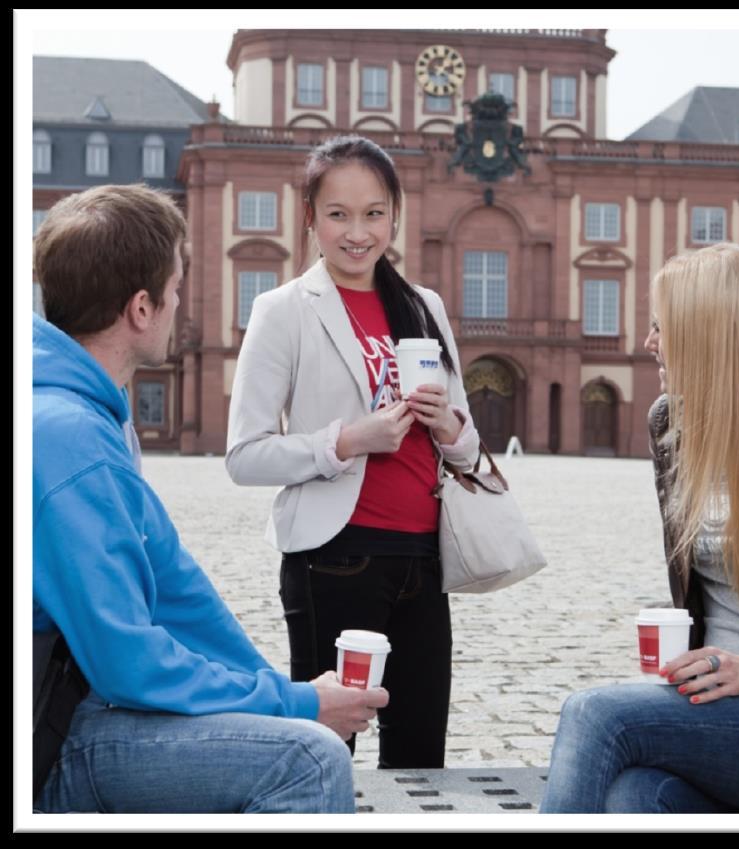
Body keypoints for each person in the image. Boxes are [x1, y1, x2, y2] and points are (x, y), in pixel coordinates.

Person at [32, 184, 388, 814]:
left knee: (292, 738)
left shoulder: (84, 414)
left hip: (65, 709)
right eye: (174, 288)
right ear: (142, 308)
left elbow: (176, 587)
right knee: (307, 762)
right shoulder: (67, 439)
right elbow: (126, 661)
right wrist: (299, 710)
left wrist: (283, 696)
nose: (179, 302)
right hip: (47, 743)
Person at [541, 243, 739, 814]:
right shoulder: (672, 425)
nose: (649, 341)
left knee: (596, 715)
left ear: (714, 333)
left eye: (663, 324)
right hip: (728, 714)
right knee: (633, 797)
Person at [226, 135, 480, 769]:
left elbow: (469, 445)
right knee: (325, 752)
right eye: (338, 214)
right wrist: (345, 442)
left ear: (395, 214)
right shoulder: (283, 310)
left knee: (421, 756)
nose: (357, 232)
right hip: (334, 559)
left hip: (424, 559)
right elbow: (244, 454)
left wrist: (448, 427)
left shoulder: (425, 309)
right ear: (309, 216)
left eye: (373, 213)